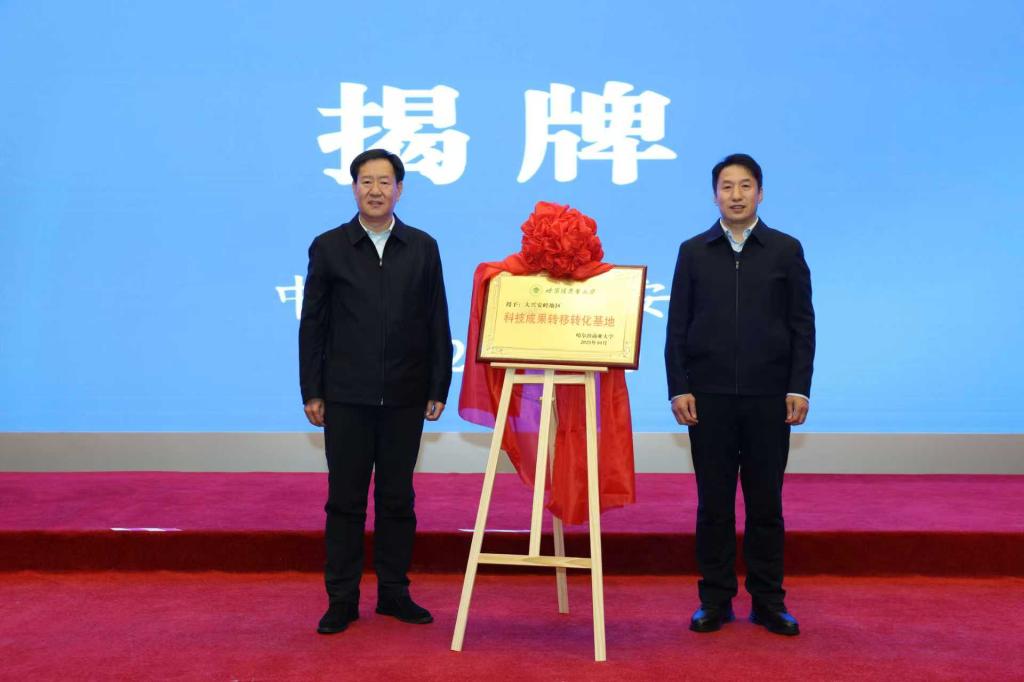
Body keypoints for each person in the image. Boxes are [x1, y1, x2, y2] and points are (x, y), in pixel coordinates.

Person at [299, 148, 452, 635]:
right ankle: (342, 599)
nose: (375, 190)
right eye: (366, 181)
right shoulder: (329, 247)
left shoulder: (422, 247)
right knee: (344, 502)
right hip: (346, 396)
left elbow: (437, 320)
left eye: (385, 182)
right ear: (353, 188)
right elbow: (313, 325)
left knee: (397, 500)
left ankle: (393, 593)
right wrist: (312, 390)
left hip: (405, 395)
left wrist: (438, 384)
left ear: (399, 190)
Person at [664, 153, 815, 636]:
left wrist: (798, 387)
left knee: (766, 505)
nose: (736, 195)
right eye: (726, 186)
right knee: (714, 505)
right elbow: (677, 326)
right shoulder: (693, 251)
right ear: (715, 195)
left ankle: (769, 602)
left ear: (760, 193)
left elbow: (802, 325)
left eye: (745, 186)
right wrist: (679, 388)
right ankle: (715, 599)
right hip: (707, 398)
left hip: (769, 397)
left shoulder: (785, 250)